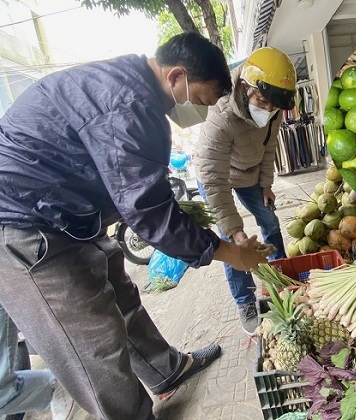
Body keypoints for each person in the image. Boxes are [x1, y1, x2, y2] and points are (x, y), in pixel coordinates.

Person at [0, 32, 268, 420]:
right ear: (176, 77)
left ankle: (166, 370)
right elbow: (148, 213)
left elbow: (131, 187)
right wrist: (231, 253)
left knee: (121, 294)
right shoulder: (130, 105)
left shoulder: (128, 86)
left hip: (68, 217)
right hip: (23, 227)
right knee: (93, 342)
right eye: (200, 100)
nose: (200, 112)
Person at [193, 47, 297, 335]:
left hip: (249, 174)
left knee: (270, 221)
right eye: (262, 101)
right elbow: (213, 178)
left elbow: (269, 149)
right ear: (245, 87)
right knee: (232, 243)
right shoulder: (223, 115)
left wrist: (266, 185)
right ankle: (245, 301)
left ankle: (282, 278)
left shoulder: (273, 109)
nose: (268, 110)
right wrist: (237, 230)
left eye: (273, 106)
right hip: (217, 175)